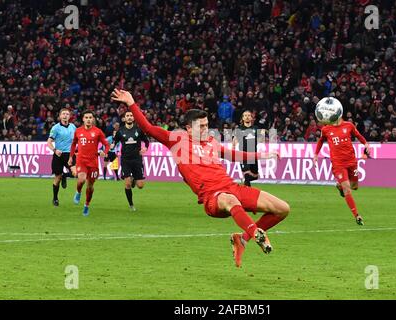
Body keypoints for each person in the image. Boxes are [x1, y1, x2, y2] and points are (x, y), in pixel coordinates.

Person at [111, 89, 290, 268]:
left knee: (282, 209)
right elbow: (148, 128)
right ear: (189, 128)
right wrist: (131, 103)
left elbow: (233, 155)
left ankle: (242, 239)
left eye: (207, 124)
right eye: (201, 126)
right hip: (212, 197)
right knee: (230, 199)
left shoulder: (211, 142)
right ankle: (256, 233)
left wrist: (262, 155)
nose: (206, 129)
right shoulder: (177, 140)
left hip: (232, 187)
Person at [313, 114, 370, 225]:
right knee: (347, 189)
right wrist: (315, 155)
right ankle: (357, 215)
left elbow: (358, 135)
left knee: (354, 187)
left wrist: (366, 143)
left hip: (351, 161)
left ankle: (339, 187)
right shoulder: (326, 129)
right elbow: (320, 141)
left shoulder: (349, 125)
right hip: (338, 164)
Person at [68, 110, 110, 216]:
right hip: (81, 160)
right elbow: (73, 144)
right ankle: (78, 192)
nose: (88, 119)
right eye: (86, 117)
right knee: (81, 179)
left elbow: (107, 144)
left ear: (93, 119)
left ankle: (86, 205)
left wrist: (104, 152)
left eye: (90, 117)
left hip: (93, 162)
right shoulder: (78, 131)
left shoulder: (98, 132)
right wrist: (70, 157)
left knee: (90, 186)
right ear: (83, 119)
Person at [112, 111, 150, 211]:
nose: (129, 117)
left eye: (131, 116)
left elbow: (146, 141)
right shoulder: (120, 131)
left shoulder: (138, 130)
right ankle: (131, 205)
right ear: (124, 118)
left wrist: (145, 148)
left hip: (137, 160)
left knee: (140, 186)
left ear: (133, 118)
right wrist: (111, 146)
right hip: (125, 160)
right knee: (127, 184)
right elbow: (114, 142)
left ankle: (133, 179)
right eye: (127, 116)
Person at [46, 108, 77, 206]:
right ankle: (55, 198)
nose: (65, 115)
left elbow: (77, 140)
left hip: (70, 155)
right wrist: (55, 150)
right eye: (63, 114)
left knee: (76, 173)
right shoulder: (55, 128)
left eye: (67, 114)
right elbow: (49, 142)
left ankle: (65, 175)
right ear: (60, 116)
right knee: (57, 177)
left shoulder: (73, 127)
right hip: (59, 155)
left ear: (70, 116)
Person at [232, 110, 261, 186]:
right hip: (243, 154)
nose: (247, 117)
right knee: (247, 173)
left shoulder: (256, 128)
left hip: (253, 154)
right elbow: (235, 139)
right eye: (245, 115)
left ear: (252, 118)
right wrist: (233, 149)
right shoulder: (239, 129)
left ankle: (245, 180)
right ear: (243, 118)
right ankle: (247, 193)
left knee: (256, 176)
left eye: (249, 115)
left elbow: (260, 139)